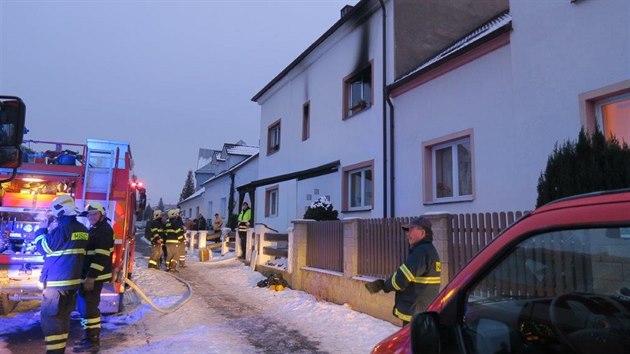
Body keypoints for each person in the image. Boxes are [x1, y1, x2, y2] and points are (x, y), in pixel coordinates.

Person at [34, 195, 89, 354]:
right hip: (71, 283)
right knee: (63, 318)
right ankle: (59, 350)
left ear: (60, 212)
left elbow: (44, 247)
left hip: (56, 284)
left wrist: (41, 229)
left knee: (51, 320)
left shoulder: (63, 230)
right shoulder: (82, 230)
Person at [365, 217, 441, 326]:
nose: (407, 233)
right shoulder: (428, 250)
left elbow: (401, 278)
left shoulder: (421, 252)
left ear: (422, 233)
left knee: (410, 342)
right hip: (422, 310)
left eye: (411, 230)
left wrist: (384, 285)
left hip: (415, 312)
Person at [73, 201, 114, 353]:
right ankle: (88, 337)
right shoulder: (96, 228)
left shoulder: (103, 231)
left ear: (101, 214)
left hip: (94, 277)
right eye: (89, 214)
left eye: (94, 214)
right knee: (85, 307)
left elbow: (101, 257)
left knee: (90, 308)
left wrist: (91, 277)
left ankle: (93, 342)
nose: (91, 217)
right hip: (89, 275)